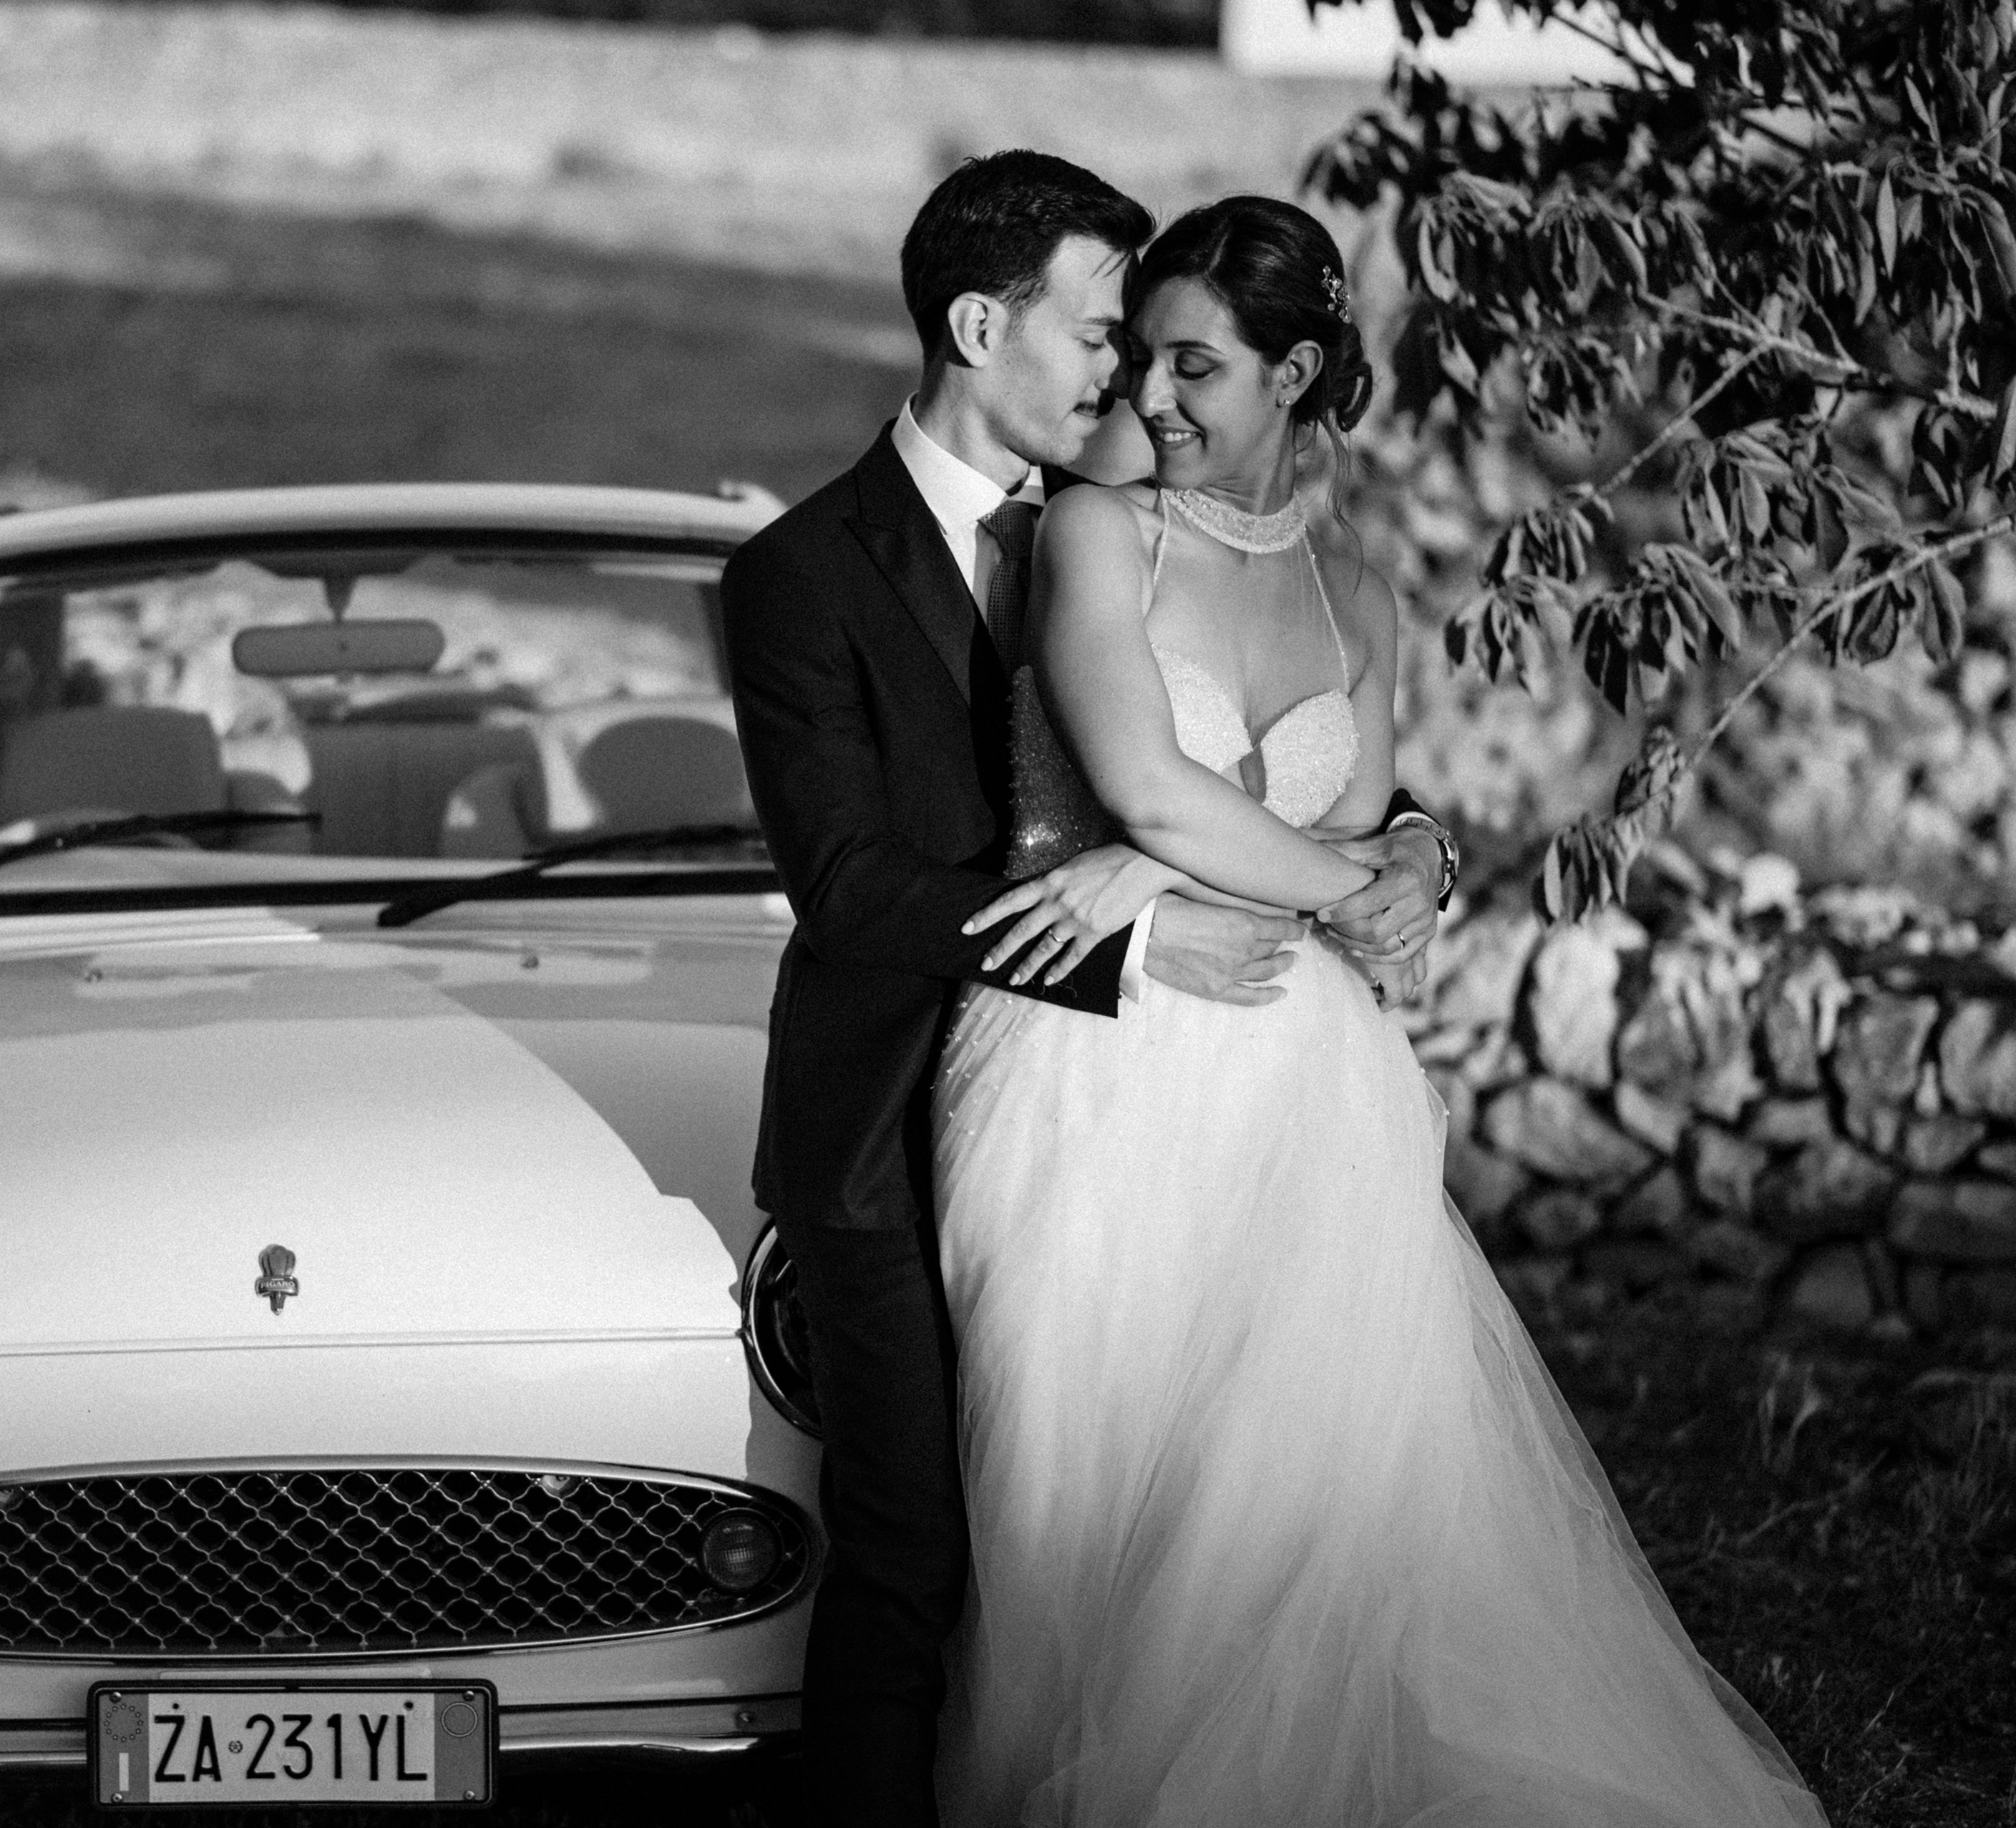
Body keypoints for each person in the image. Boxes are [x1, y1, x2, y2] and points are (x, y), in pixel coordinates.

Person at [930, 194, 1826, 1827]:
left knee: (1302, 1489)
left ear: (1297, 375)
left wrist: (1398, 853)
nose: (1151, 398)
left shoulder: (1360, 589)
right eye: (1144, 362)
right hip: (1095, 1068)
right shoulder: (1096, 535)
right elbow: (1155, 782)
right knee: (1095, 1491)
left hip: (1303, 1074)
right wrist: (1296, 872)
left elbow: (1346, 825)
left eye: (1196, 367)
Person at [721, 154, 1453, 1828]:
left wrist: (1416, 840)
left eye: (1149, 345)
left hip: (1150, 1104)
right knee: (924, 1541)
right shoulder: (800, 574)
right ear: (984, 330)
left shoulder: (1125, 518)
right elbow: (849, 886)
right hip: (895, 1119)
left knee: (1177, 1516)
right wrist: (1130, 927)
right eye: (1103, 333)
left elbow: (1244, 743)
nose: (1129, 374)